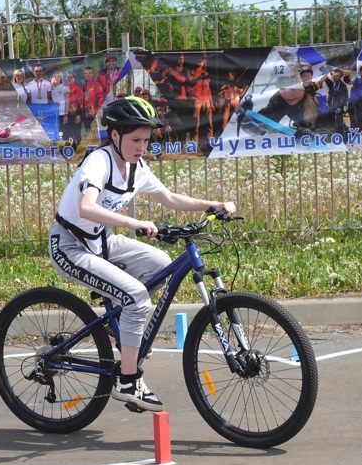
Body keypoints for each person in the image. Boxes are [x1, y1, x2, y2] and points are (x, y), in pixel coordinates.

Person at [49, 96, 236, 411]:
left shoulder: (137, 167)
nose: (142, 146)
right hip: (69, 245)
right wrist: (134, 222)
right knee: (137, 298)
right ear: (116, 136)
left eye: (146, 140)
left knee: (160, 264)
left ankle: (119, 323)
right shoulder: (100, 161)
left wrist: (212, 205)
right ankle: (128, 380)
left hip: (102, 242)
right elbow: (86, 207)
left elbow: (170, 198)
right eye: (136, 139)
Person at [82, 66, 106, 132]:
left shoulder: (97, 84)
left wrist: (97, 111)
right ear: (84, 75)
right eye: (86, 73)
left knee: (96, 133)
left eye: (90, 73)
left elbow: (101, 98)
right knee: (87, 133)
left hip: (94, 113)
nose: (88, 75)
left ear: (93, 74)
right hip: (86, 114)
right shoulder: (83, 87)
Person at [64, 71, 84, 144]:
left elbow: (81, 103)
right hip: (66, 115)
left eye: (71, 77)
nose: (69, 78)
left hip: (75, 114)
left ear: (74, 79)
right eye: (68, 77)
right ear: (66, 78)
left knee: (77, 135)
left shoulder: (78, 88)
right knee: (67, 135)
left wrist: (79, 114)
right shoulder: (64, 88)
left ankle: (78, 152)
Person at [49, 71, 68, 141]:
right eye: (55, 76)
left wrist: (66, 115)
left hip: (61, 114)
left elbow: (67, 102)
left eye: (58, 76)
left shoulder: (64, 88)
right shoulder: (50, 89)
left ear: (61, 78)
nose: (56, 78)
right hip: (52, 114)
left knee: (63, 133)